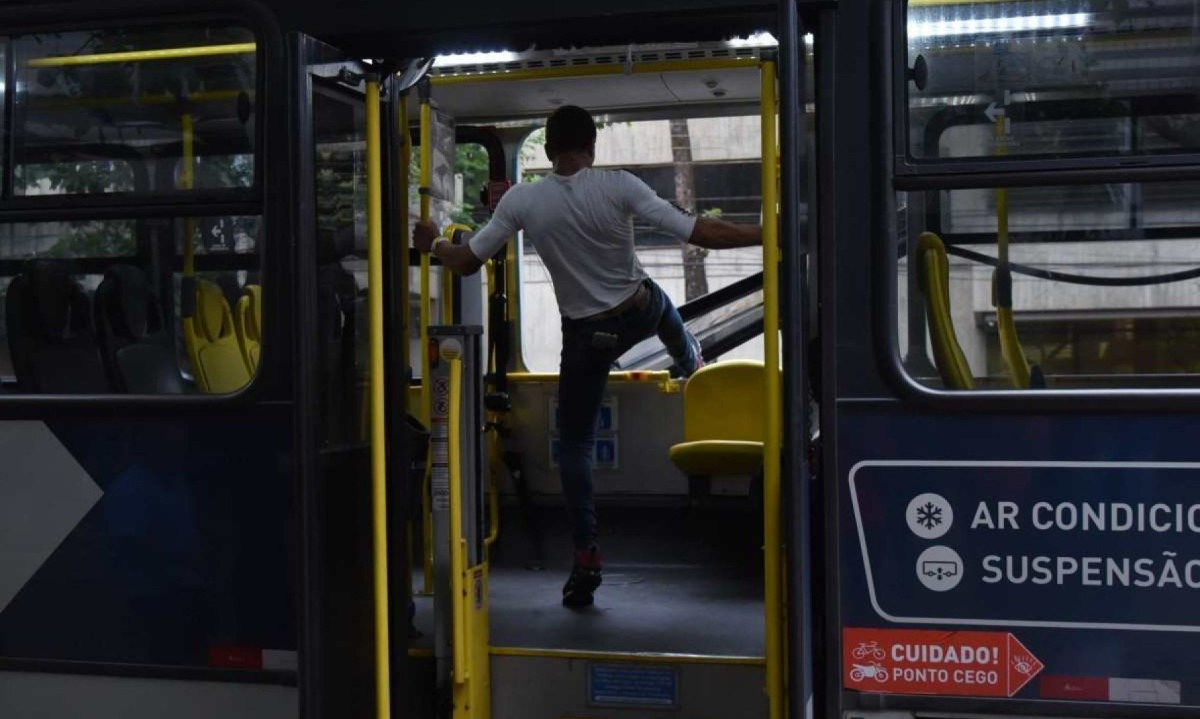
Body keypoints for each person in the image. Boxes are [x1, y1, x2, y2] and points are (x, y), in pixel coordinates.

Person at [413, 105, 762, 607]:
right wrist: (766, 233)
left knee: (574, 446)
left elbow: (466, 262)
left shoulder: (523, 202)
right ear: (591, 148)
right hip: (637, 310)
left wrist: (432, 244)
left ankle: (586, 556)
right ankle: (692, 369)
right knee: (660, 301)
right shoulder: (619, 185)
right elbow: (699, 233)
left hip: (585, 338)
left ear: (549, 150)